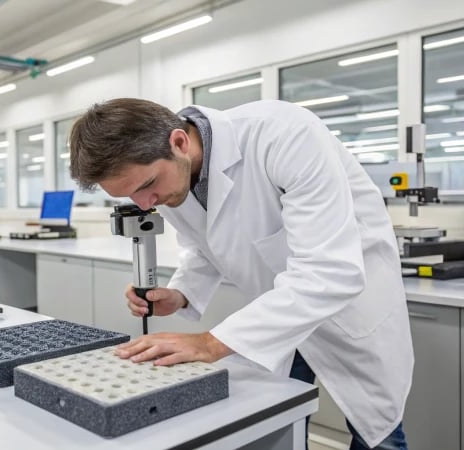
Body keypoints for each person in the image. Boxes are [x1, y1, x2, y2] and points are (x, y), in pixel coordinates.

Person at [68, 98, 413, 450]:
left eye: (147, 185)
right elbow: (204, 245)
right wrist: (181, 293)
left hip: (350, 306)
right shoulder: (168, 180)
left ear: (179, 143)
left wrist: (210, 343)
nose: (146, 203)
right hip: (275, 316)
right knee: (283, 423)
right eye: (130, 196)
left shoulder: (284, 134)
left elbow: (329, 271)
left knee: (376, 436)